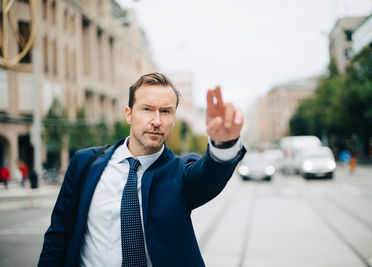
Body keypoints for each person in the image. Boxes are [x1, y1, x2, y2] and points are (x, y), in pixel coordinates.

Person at [38, 72, 246, 267]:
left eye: (165, 111)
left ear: (173, 118)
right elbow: (58, 235)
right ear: (129, 114)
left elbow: (208, 176)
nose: (156, 121)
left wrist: (223, 145)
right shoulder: (85, 163)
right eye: (147, 109)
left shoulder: (181, 173)